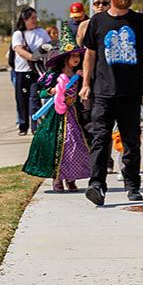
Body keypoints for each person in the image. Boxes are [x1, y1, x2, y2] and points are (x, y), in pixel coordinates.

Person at [79, 0, 143, 205]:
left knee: (131, 141)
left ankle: (132, 184)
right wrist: (85, 84)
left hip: (131, 91)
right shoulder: (97, 22)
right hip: (103, 91)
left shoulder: (139, 20)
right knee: (100, 139)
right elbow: (90, 54)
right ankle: (97, 184)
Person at [23, 44, 91, 191]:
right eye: (73, 56)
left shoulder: (79, 74)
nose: (77, 59)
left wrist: (84, 78)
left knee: (74, 145)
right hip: (56, 115)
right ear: (65, 58)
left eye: (78, 56)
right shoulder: (54, 74)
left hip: (74, 113)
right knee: (57, 145)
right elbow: (41, 92)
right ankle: (57, 179)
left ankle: (71, 178)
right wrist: (52, 90)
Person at [11, 7, 50, 135]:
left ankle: (36, 126)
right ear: (25, 19)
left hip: (36, 71)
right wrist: (33, 57)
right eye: (32, 18)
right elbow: (19, 50)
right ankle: (23, 126)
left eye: (35, 17)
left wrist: (44, 53)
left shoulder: (41, 32)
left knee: (34, 98)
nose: (34, 20)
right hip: (22, 70)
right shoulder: (18, 34)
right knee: (21, 99)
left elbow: (49, 45)